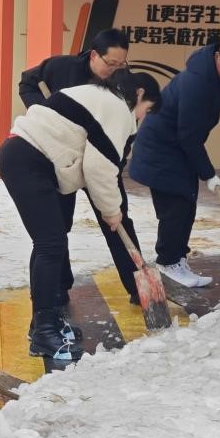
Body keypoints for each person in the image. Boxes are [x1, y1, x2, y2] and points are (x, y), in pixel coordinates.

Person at [0, 69, 146, 365]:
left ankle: (43, 324)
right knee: (50, 244)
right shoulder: (119, 109)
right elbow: (100, 168)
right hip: (30, 161)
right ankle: (43, 331)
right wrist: (112, 212)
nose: (144, 118)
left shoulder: (97, 97)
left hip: (25, 157)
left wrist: (111, 209)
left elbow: (95, 161)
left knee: (49, 243)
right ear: (140, 96)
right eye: (148, 109)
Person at [18, 29, 153, 304]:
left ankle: (139, 287)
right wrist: (44, 109)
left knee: (117, 219)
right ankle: (58, 287)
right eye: (110, 63)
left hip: (100, 160)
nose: (115, 70)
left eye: (121, 64)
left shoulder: (121, 82)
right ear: (93, 55)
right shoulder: (61, 67)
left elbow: (122, 131)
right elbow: (27, 82)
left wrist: (115, 167)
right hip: (61, 158)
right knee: (58, 226)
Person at [129, 35, 220, 288]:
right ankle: (168, 262)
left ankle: (177, 259)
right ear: (218, 56)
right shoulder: (198, 83)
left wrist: (204, 173)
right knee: (176, 209)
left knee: (186, 204)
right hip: (161, 151)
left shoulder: (213, 76)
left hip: (176, 148)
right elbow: (189, 136)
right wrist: (208, 174)